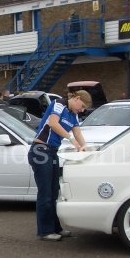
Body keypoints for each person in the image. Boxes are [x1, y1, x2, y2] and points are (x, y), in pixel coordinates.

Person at [27, 90, 90, 241]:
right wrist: (71, 140)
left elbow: (77, 133)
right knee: (45, 193)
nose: (82, 110)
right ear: (77, 98)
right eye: (82, 106)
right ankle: (45, 231)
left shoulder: (73, 114)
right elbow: (53, 123)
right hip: (40, 151)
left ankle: (56, 228)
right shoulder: (59, 104)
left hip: (52, 152)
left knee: (54, 193)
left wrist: (84, 146)